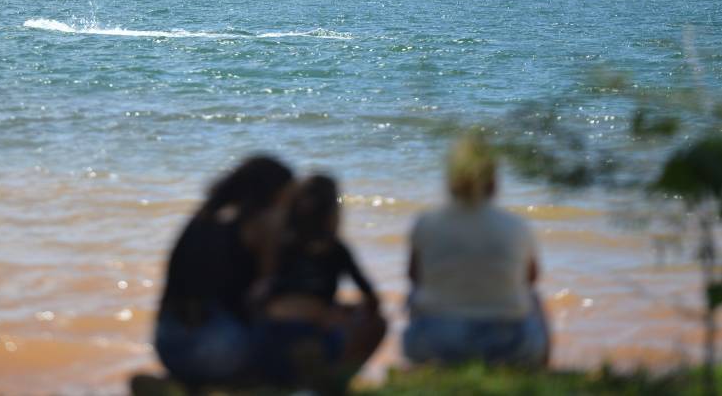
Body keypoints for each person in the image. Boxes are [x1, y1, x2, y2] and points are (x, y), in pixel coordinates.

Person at [403, 132, 550, 367]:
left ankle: (428, 372)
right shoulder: (516, 225)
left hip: (436, 340)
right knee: (534, 298)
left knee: (414, 295)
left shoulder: (426, 223)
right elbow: (531, 278)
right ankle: (539, 378)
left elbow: (413, 276)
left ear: (450, 178)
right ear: (493, 179)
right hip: (508, 343)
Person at [150, 156, 294, 390]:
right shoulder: (259, 224)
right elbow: (269, 288)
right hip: (220, 349)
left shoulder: (202, 218)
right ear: (273, 195)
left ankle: (185, 385)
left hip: (168, 345)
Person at [255, 175, 386, 393]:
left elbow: (262, 289)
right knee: (377, 322)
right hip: (316, 342)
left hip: (267, 341)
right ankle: (335, 381)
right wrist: (341, 311)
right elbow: (372, 300)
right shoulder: (336, 249)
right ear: (332, 214)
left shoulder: (279, 245)